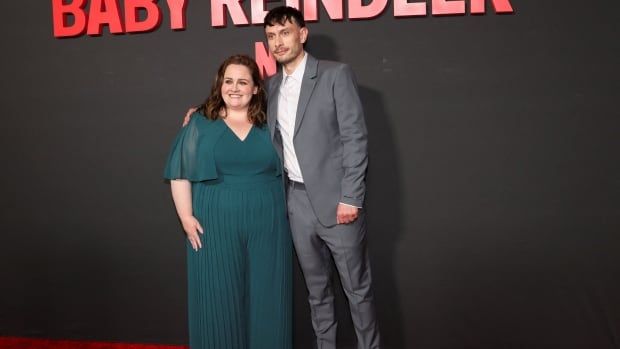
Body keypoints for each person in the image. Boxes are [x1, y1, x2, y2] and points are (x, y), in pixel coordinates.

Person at [184, 6, 380, 348]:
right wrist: (200, 111)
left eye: (285, 33)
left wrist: (351, 196)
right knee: (317, 293)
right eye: (271, 36)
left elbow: (355, 138)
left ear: (302, 34)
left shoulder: (335, 75)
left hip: (338, 204)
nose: (278, 42)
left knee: (357, 292)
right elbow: (238, 105)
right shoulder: (271, 87)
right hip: (295, 204)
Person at [164, 54, 292, 349]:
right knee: (217, 298)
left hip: (269, 222)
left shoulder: (272, 120)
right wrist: (185, 217)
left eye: (243, 82)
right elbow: (180, 172)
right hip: (214, 222)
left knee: (269, 297)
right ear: (219, 84)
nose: (235, 88)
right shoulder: (200, 121)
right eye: (229, 81)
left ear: (256, 88)